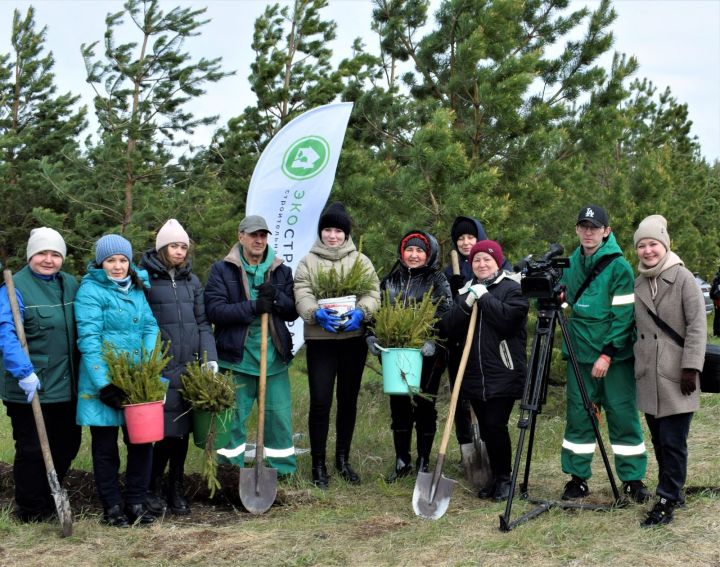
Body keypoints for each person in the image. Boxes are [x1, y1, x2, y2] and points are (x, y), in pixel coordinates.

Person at [559, 205, 650, 503]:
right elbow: (563, 302)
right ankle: (577, 478)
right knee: (579, 416)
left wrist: (607, 354)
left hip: (614, 359)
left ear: (606, 231)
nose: (588, 231)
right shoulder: (570, 264)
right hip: (579, 355)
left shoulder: (619, 267)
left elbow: (624, 316)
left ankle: (633, 480)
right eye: (583, 226)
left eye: (594, 227)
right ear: (577, 230)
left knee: (622, 416)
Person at [75, 234, 160, 527]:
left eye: (123, 260)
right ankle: (111, 507)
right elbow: (89, 337)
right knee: (106, 447)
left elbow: (150, 326)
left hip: (137, 381)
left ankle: (135, 502)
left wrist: (148, 366)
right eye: (111, 260)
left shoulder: (136, 288)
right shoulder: (90, 291)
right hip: (105, 383)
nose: (117, 266)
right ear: (101, 263)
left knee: (141, 442)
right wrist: (104, 384)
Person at [294, 202, 380, 488]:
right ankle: (318, 463)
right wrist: (313, 313)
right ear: (321, 232)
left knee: (347, 400)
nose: (333, 236)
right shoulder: (308, 261)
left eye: (338, 231)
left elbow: (372, 292)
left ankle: (342, 459)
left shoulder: (360, 261)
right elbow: (302, 291)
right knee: (320, 401)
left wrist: (362, 313)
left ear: (346, 234)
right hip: (321, 341)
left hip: (352, 342)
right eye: (328, 230)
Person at [204, 215, 298, 477]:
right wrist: (253, 307)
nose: (259, 240)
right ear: (240, 236)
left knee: (278, 419)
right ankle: (228, 472)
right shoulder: (222, 270)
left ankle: (281, 473)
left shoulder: (281, 270)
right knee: (232, 419)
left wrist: (277, 297)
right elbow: (214, 310)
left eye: (263, 235)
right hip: (237, 358)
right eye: (253, 235)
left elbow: (293, 311)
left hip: (274, 359)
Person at [0, 228, 82, 522]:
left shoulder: (70, 284)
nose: (48, 260)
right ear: (30, 255)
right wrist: (23, 372)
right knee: (33, 449)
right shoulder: (15, 287)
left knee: (67, 444)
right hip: (30, 386)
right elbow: (5, 332)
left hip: (66, 384)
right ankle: (31, 508)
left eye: (55, 254)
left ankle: (52, 497)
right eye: (42, 253)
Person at [139, 219, 217, 516]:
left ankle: (177, 485)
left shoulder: (191, 281)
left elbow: (202, 323)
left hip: (189, 369)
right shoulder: (145, 279)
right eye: (174, 245)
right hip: (160, 367)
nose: (180, 251)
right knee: (162, 433)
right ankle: (153, 486)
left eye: (184, 246)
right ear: (162, 247)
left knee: (182, 433)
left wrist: (209, 357)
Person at [439, 240, 528, 501]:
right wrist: (467, 301)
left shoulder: (512, 289)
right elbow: (448, 326)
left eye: (487, 259)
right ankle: (494, 477)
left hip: (503, 369)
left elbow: (508, 321)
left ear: (498, 262)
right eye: (476, 260)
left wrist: (485, 297)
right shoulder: (466, 291)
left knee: (495, 424)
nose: (481, 264)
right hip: (474, 374)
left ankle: (504, 479)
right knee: (487, 430)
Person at [633, 215, 706, 527]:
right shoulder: (638, 282)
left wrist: (691, 367)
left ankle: (665, 499)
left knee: (674, 442)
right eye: (642, 245)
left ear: (664, 245)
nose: (648, 251)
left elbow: (697, 326)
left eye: (653, 244)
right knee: (660, 441)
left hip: (678, 376)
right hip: (649, 375)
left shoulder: (683, 278)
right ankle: (673, 491)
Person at [368, 230, 451, 481]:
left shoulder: (437, 279)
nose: (414, 255)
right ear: (402, 252)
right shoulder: (390, 281)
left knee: (425, 406)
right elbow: (375, 313)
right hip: (396, 353)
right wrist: (370, 337)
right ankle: (402, 461)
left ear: (429, 254)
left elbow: (446, 311)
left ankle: (424, 461)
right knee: (400, 406)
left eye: (419, 251)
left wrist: (432, 340)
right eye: (410, 250)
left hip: (428, 354)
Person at [442, 216, 513, 467]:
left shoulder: (503, 272)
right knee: (462, 400)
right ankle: (468, 455)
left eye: (470, 237)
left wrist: (482, 295)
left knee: (491, 417)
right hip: (462, 349)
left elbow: (510, 310)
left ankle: (490, 460)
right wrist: (456, 292)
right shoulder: (450, 272)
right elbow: (447, 317)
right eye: (460, 238)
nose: (465, 242)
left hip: (492, 352)